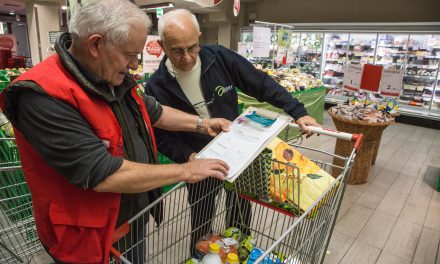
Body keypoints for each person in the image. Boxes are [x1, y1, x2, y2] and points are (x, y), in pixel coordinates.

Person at [0, 1, 231, 264]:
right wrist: (186, 171)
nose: (135, 65)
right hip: (85, 239)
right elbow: (103, 173)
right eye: (130, 54)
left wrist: (202, 124)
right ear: (96, 45)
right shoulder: (41, 96)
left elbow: (154, 112)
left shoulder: (109, 75)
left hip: (128, 223)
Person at [145, 9, 322, 253]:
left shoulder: (219, 58)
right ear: (162, 45)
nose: (187, 57)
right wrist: (189, 157)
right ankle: (198, 256)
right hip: (199, 160)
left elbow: (260, 83)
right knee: (201, 217)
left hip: (238, 151)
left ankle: (239, 252)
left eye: (192, 47)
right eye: (177, 50)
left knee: (240, 211)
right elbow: (161, 136)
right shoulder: (157, 86)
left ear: (199, 36)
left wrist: (297, 111)